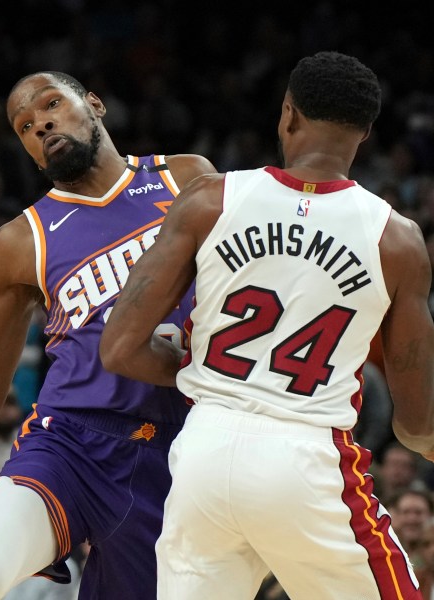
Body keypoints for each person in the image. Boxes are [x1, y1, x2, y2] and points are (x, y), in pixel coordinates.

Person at [0, 70, 216, 599]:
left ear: (94, 103)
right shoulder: (20, 241)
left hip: (180, 452)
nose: (42, 124)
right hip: (69, 442)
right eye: (25, 126)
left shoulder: (187, 178)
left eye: (52, 104)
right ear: (29, 152)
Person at [100, 50, 434, 599]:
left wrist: (201, 373)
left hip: (204, 450)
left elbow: (118, 349)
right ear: (366, 132)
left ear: (288, 114)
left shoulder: (210, 199)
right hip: (307, 458)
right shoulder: (396, 240)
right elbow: (416, 424)